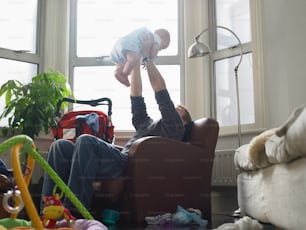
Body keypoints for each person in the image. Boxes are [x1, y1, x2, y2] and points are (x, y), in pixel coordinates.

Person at [40, 37, 191, 217]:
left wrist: (149, 60)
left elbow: (161, 92)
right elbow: (136, 94)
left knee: (86, 140)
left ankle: (74, 212)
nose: (176, 108)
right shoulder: (146, 123)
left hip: (127, 164)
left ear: (184, 122)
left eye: (180, 110)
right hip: (116, 158)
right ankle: (47, 212)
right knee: (60, 146)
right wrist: (135, 60)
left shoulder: (174, 128)